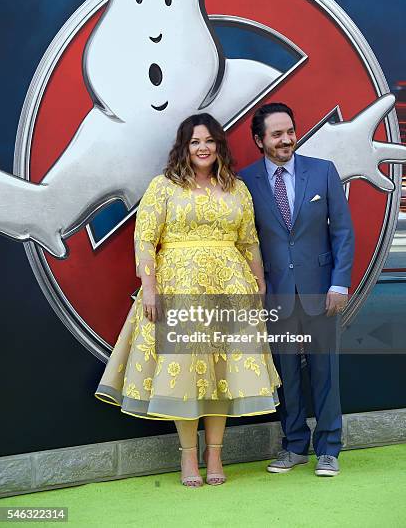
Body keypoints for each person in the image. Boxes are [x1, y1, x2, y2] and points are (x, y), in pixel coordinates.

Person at [95, 113, 280, 487]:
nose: (203, 148)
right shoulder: (163, 187)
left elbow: (249, 242)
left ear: (219, 145)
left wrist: (259, 284)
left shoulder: (236, 188)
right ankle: (188, 458)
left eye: (209, 141)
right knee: (184, 374)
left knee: (220, 373)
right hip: (178, 288)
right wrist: (149, 288)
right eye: (195, 141)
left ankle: (215, 456)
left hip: (230, 289)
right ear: (184, 146)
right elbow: (145, 240)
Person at [239, 102, 354, 477]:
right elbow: (245, 239)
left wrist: (339, 282)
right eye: (276, 134)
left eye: (289, 131)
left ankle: (329, 449)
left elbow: (342, 232)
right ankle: (293, 448)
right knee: (286, 373)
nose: (286, 139)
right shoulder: (246, 181)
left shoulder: (322, 172)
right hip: (276, 294)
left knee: (325, 371)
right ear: (260, 140)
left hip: (322, 291)